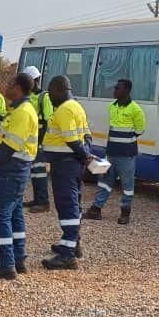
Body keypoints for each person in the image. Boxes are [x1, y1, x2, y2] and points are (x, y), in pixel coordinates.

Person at [0, 73, 39, 280]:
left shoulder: (23, 112)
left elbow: (9, 146)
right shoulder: (16, 110)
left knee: (1, 215)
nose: (6, 86)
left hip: (12, 170)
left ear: (19, 88)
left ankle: (7, 264)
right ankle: (17, 258)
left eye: (11, 84)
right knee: (15, 214)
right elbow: (0, 139)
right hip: (12, 169)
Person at [40, 76, 93, 270]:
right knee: (75, 203)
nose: (49, 97)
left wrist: (84, 156)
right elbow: (87, 135)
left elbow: (71, 140)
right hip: (73, 164)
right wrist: (85, 154)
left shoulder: (64, 110)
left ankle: (67, 255)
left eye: (50, 92)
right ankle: (72, 242)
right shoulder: (77, 106)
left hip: (65, 164)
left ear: (58, 89)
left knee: (67, 205)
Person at [86, 79, 145, 225]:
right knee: (104, 181)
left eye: (117, 88)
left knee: (127, 186)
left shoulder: (136, 110)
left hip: (127, 156)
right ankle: (96, 209)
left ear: (126, 90)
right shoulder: (112, 107)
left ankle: (125, 213)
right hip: (111, 153)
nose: (115, 90)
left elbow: (140, 130)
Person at [22, 65, 53, 214]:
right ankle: (37, 199)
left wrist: (39, 142)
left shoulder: (44, 97)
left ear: (35, 80)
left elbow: (47, 121)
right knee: (34, 172)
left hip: (39, 141)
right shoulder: (27, 97)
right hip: (30, 140)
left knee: (40, 171)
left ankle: (44, 202)